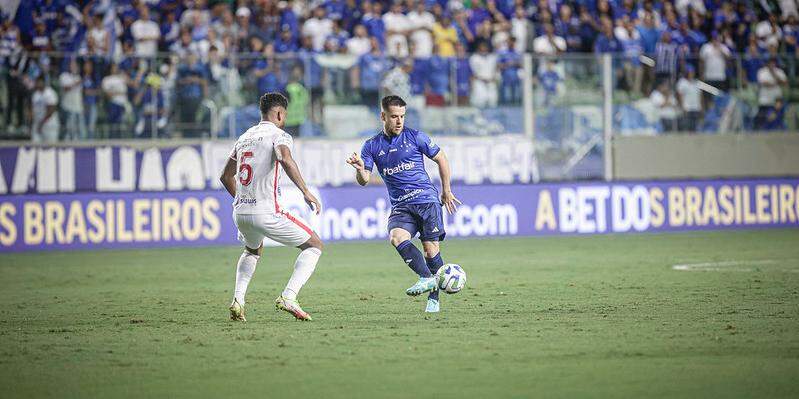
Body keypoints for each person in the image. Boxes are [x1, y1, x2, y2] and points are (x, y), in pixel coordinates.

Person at [346, 95, 461, 313]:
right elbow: (365, 180)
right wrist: (360, 168)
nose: (399, 121)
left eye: (402, 116)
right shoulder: (371, 146)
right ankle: (426, 277)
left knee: (430, 252)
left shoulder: (416, 137)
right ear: (383, 116)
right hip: (401, 206)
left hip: (426, 200)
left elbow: (441, 158)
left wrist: (446, 190)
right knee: (396, 237)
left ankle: (433, 301)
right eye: (394, 116)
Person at [219, 92, 323, 322]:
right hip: (267, 211)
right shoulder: (280, 135)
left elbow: (225, 177)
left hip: (241, 212)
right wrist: (306, 191)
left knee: (252, 250)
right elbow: (285, 159)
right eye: (284, 115)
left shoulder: (244, 137)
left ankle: (238, 301)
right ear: (279, 113)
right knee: (314, 245)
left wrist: (243, 200)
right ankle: (289, 296)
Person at [31, 76, 59, 143]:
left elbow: (51, 111)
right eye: (36, 82)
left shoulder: (50, 93)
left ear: (43, 82)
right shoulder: (35, 94)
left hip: (49, 124)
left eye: (39, 82)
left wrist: (41, 123)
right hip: (38, 123)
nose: (37, 84)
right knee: (35, 145)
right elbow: (33, 108)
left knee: (51, 147)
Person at [675, 66, 702, 132]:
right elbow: (679, 95)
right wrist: (682, 106)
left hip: (696, 107)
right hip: (687, 107)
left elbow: (700, 95)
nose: (691, 74)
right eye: (690, 72)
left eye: (692, 72)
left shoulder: (696, 82)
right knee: (686, 125)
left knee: (694, 126)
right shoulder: (682, 82)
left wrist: (701, 106)